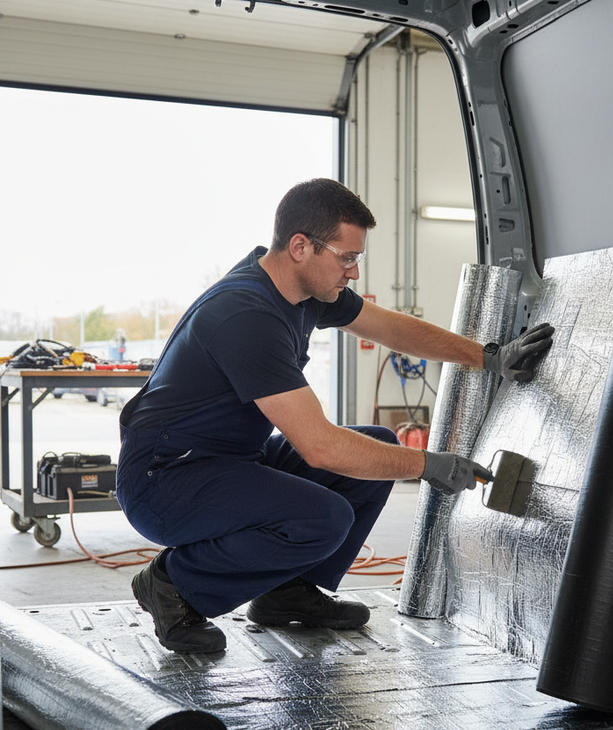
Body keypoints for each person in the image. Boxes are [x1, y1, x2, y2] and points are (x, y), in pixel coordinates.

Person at [117, 178, 554, 654]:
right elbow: (320, 447)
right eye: (347, 258)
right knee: (322, 516)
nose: (354, 273)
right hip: (164, 478)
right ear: (301, 246)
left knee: (378, 445)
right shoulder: (245, 315)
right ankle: (173, 585)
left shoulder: (302, 292)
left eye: (357, 258)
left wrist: (488, 356)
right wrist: (430, 465)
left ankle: (286, 590)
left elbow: (390, 327)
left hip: (232, 459)